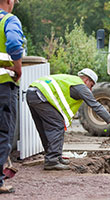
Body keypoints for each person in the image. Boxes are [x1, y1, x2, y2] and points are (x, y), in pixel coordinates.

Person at [26, 68, 110, 170]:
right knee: (57, 125)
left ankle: (54, 157)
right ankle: (52, 160)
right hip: (41, 96)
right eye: (91, 86)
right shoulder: (80, 86)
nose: (90, 90)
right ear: (87, 80)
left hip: (32, 93)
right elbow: (95, 105)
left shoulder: (70, 80)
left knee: (45, 127)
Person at [0, 0, 23, 194]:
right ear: (8, 1)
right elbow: (14, 43)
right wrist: (17, 68)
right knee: (2, 133)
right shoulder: (8, 20)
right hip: (2, 86)